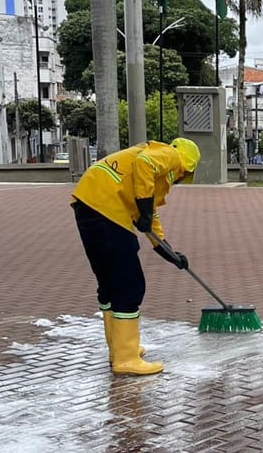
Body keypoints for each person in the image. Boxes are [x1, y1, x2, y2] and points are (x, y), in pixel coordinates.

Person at [70, 137, 201, 375]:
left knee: (110, 284)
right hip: (106, 210)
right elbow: (144, 167)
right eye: (184, 175)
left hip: (90, 203)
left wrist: (169, 252)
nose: (180, 179)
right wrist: (143, 210)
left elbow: (150, 217)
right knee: (129, 285)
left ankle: (119, 350)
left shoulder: (147, 179)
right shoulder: (169, 156)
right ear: (186, 166)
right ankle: (126, 358)